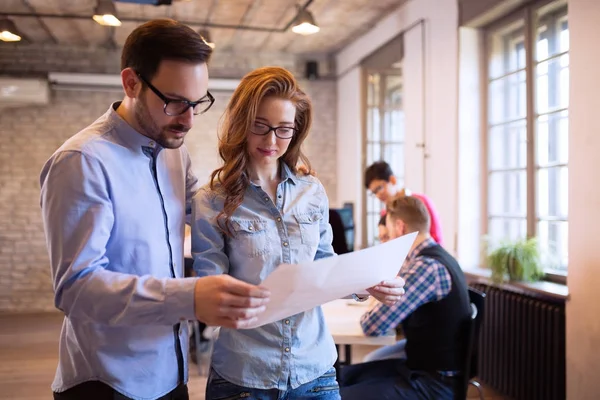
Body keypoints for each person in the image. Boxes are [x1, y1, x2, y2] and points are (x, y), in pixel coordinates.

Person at [39, 19, 270, 400]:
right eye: (176, 102)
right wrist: (190, 297)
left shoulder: (172, 152)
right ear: (131, 83)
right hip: (109, 383)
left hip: (171, 371)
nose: (190, 119)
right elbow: (75, 289)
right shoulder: (82, 161)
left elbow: (217, 216)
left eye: (198, 103)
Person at [190, 66, 405, 400]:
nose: (271, 140)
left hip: (315, 372)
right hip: (245, 376)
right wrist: (253, 297)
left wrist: (365, 283)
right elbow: (207, 293)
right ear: (241, 123)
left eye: (284, 129)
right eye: (260, 126)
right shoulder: (211, 200)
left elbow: (325, 265)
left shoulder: (312, 192)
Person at [339, 195, 471, 400]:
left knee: (338, 394)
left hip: (432, 384)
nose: (387, 241)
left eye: (388, 234)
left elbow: (373, 325)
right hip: (426, 370)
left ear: (400, 228)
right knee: (343, 376)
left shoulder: (426, 268)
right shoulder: (441, 257)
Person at [365, 160, 444, 245]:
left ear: (392, 180)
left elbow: (437, 240)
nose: (378, 195)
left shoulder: (422, 201)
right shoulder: (385, 214)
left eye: (379, 188)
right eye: (374, 193)